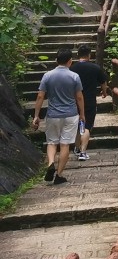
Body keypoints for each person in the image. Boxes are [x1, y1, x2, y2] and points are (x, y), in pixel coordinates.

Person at [31, 48, 84, 185]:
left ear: (56, 60)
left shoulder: (47, 76)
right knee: (65, 144)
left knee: (52, 142)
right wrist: (82, 114)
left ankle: (50, 163)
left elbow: (40, 96)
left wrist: (36, 116)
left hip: (53, 114)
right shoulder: (74, 76)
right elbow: (79, 97)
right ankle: (59, 174)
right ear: (70, 61)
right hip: (70, 114)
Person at [72, 46, 107, 161]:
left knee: (78, 125)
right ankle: (83, 152)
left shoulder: (72, 68)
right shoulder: (95, 68)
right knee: (87, 126)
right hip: (90, 100)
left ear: (78, 55)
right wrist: (104, 92)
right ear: (89, 55)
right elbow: (103, 81)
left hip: (75, 100)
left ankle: (76, 148)